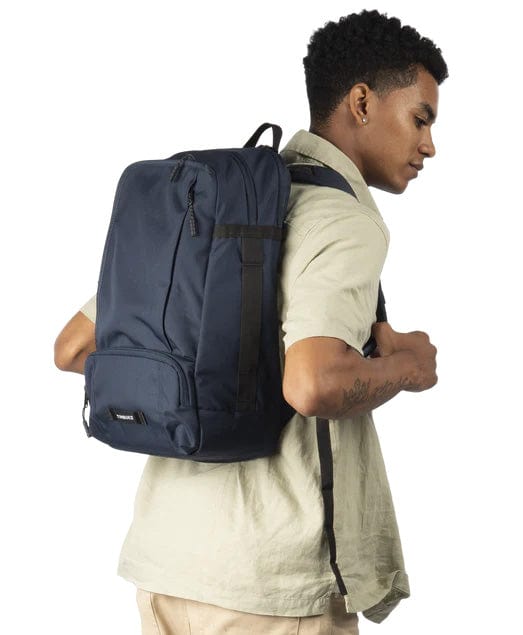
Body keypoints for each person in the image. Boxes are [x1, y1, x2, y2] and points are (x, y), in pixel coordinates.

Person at [54, 9, 448, 634]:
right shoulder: (343, 220)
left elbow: (76, 348)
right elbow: (312, 385)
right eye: (421, 119)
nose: (429, 145)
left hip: (165, 568)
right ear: (362, 103)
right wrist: (407, 368)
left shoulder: (228, 201)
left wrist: (223, 365)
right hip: (267, 588)